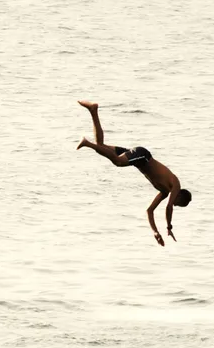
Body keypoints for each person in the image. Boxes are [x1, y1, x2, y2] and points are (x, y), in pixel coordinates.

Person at [76, 100, 192, 246]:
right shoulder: (175, 184)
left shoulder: (164, 192)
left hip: (137, 159)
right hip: (143, 156)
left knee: (101, 146)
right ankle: (87, 143)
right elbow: (168, 208)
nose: (175, 205)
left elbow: (149, 211)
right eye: (179, 204)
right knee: (117, 161)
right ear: (180, 195)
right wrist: (169, 227)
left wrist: (155, 231)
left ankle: (93, 111)